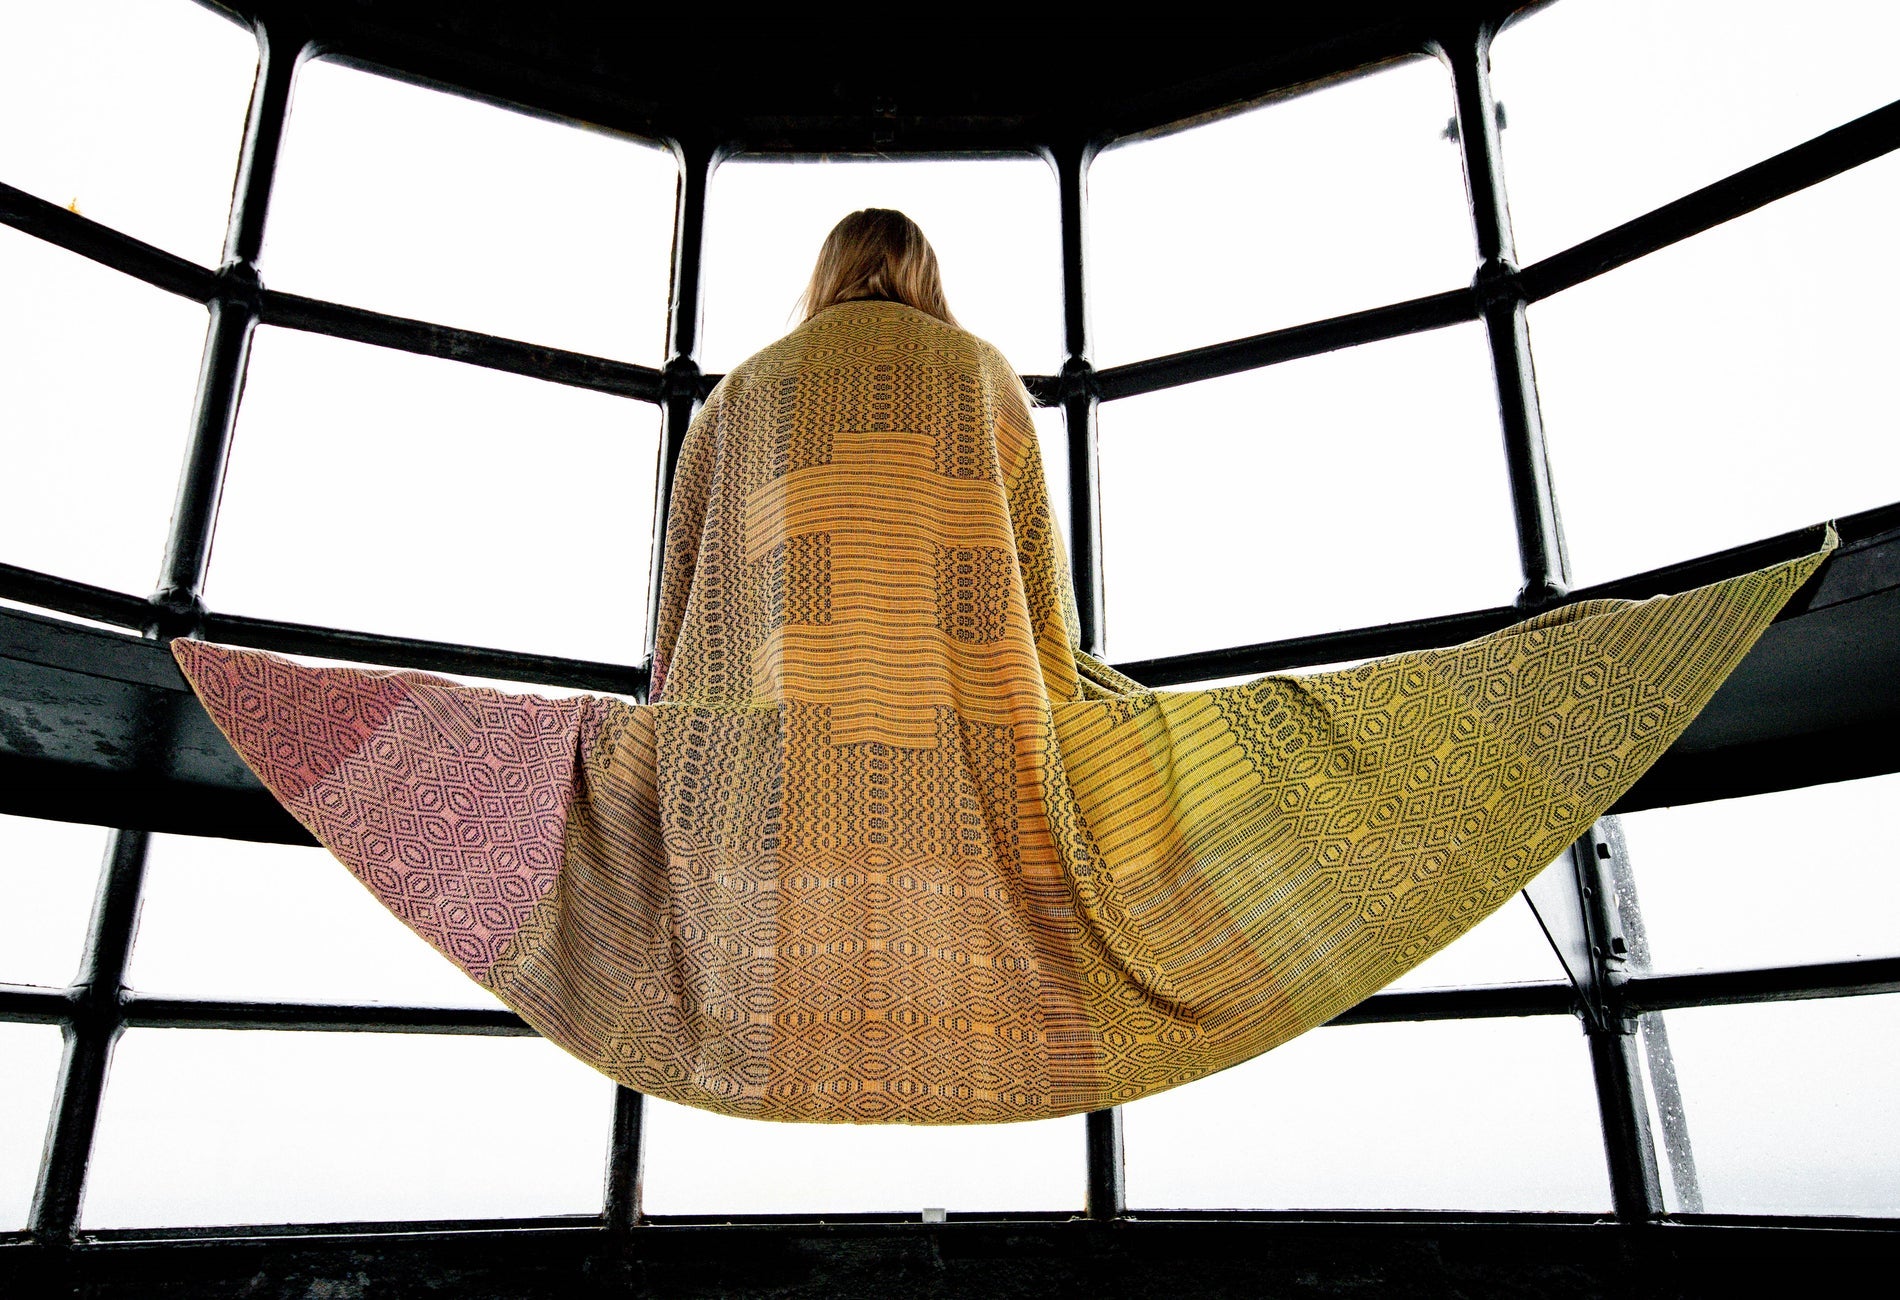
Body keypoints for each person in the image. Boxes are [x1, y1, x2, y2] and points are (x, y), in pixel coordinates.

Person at [173, 209, 1832, 1124]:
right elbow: (1035, 606)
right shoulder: (979, 379)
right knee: (1274, 766)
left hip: (772, 788)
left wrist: (672, 758)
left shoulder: (742, 394)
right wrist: (1068, 710)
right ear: (925, 278)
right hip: (970, 747)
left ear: (826, 278)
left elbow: (682, 609)